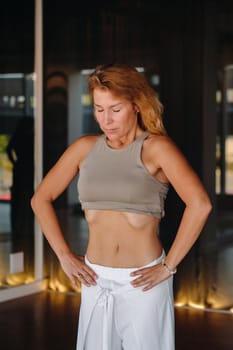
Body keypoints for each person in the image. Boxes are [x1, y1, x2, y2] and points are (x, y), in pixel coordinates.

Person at [31, 63, 212, 350]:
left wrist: (168, 266)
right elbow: (40, 198)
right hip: (95, 279)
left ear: (136, 105)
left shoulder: (156, 148)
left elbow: (200, 204)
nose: (106, 119)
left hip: (143, 282)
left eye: (115, 109)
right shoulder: (84, 148)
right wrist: (64, 255)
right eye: (99, 109)